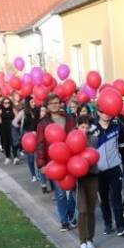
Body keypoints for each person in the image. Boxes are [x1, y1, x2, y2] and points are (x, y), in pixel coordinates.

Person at [36, 94, 77, 231]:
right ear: (47, 106)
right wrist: (41, 164)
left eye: (57, 102)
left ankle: (71, 215)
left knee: (71, 190)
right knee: (60, 193)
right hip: (54, 162)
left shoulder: (69, 118)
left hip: (71, 159)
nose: (55, 105)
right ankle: (64, 221)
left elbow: (75, 136)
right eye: (51, 103)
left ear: (60, 104)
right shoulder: (43, 123)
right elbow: (40, 144)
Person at [95, 111, 124, 237]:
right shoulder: (92, 129)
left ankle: (121, 226)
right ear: (98, 112)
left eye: (108, 112)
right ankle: (108, 224)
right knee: (103, 199)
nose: (105, 114)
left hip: (115, 167)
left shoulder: (117, 127)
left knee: (117, 198)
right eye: (102, 111)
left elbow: (123, 145)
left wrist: (123, 161)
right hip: (98, 170)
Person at [75, 115, 99, 248]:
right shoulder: (71, 138)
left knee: (91, 209)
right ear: (77, 126)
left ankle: (90, 238)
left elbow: (92, 155)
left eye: (86, 127)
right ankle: (82, 241)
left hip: (92, 176)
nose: (84, 130)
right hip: (78, 178)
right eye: (82, 127)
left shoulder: (93, 139)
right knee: (82, 210)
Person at [0, 94, 19, 165]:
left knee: (13, 142)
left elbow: (17, 117)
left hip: (12, 128)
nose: (6, 104)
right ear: (2, 103)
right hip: (4, 128)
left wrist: (15, 123)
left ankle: (15, 157)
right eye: (5, 103)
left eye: (8, 102)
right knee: (6, 143)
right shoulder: (0, 110)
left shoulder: (13, 109)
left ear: (10, 103)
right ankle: (7, 157)